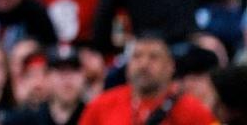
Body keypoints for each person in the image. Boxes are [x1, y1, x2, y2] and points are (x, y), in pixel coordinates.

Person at [80, 34, 216, 125]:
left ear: (170, 66)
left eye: (154, 57)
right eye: (137, 56)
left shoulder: (193, 110)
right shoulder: (100, 106)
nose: (144, 64)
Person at [4, 46, 86, 125]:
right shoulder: (26, 119)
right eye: (61, 71)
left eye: (74, 70)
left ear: (83, 75)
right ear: (48, 76)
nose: (67, 78)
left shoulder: (93, 115)